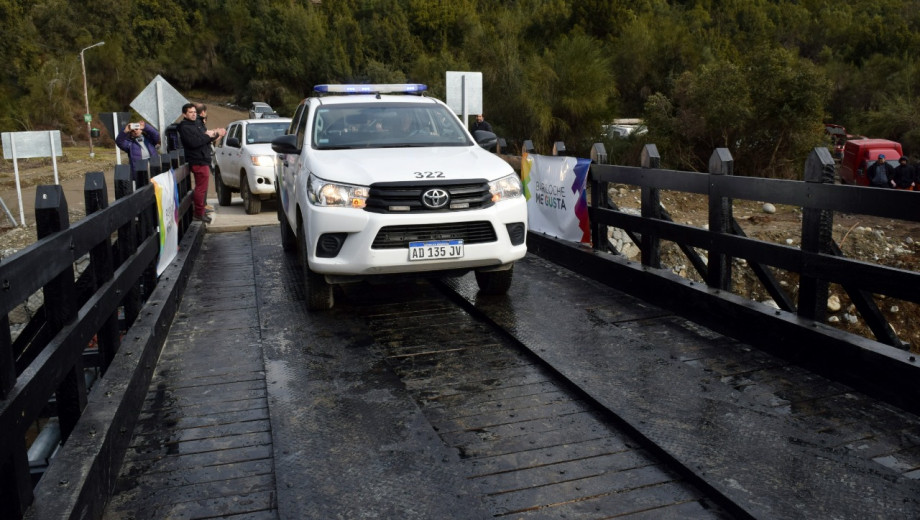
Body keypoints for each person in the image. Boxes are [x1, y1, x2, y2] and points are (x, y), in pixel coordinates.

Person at [177, 103, 225, 223]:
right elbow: (194, 142)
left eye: (194, 112)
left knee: (202, 188)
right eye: (190, 112)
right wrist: (208, 136)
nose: (193, 114)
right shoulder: (185, 127)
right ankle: (199, 213)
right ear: (184, 114)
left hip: (203, 158)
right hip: (197, 159)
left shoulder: (195, 124)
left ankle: (200, 211)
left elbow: (204, 138)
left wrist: (214, 135)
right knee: (201, 188)